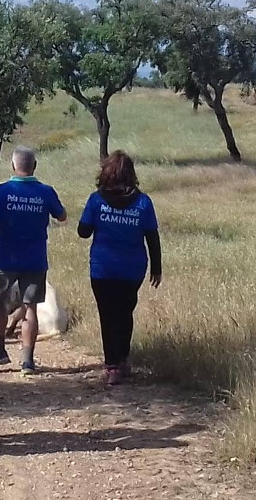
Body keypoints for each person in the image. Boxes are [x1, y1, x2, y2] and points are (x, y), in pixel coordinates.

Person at [77, 151, 162, 385]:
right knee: (125, 313)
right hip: (133, 269)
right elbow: (152, 236)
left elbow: (83, 232)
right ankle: (122, 360)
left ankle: (112, 365)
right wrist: (157, 267)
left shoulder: (96, 200)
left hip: (103, 268)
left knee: (108, 314)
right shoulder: (143, 202)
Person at [0, 146, 67, 375]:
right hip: (35, 259)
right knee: (30, 307)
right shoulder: (45, 191)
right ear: (34, 167)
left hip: (6, 259)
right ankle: (28, 360)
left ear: (13, 166)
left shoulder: (1, 192)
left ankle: (0, 349)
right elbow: (62, 215)